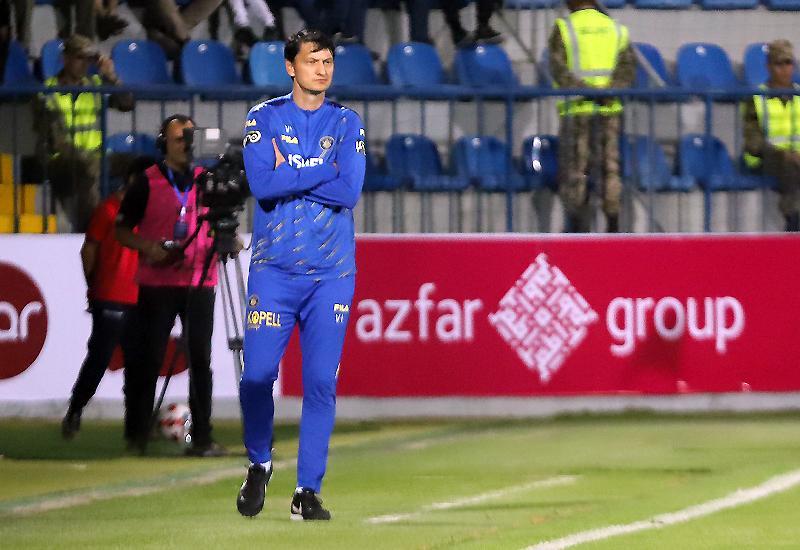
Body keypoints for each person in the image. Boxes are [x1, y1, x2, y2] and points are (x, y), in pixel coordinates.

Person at [236, 28, 366, 521]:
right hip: (274, 271)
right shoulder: (263, 117)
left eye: (328, 61)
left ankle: (306, 491)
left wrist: (290, 172)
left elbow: (349, 191)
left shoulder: (348, 122)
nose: (322, 69)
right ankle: (259, 461)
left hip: (332, 274)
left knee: (320, 383)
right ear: (291, 67)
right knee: (256, 376)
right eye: (313, 61)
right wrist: (322, 170)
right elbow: (261, 184)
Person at [115, 115, 226, 457]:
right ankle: (137, 432)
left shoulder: (207, 181)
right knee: (148, 358)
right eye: (180, 139)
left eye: (191, 138)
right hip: (157, 282)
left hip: (200, 279)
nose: (187, 146)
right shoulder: (146, 183)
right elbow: (122, 230)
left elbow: (222, 220)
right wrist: (148, 248)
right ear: (164, 143)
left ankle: (203, 436)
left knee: (200, 359)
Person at [61, 157, 153, 440]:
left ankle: (135, 426)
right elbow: (88, 250)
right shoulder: (109, 210)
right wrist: (95, 286)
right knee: (101, 357)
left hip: (141, 296)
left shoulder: (148, 213)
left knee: (138, 363)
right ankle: (76, 407)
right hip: (111, 294)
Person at [548, 0, 634, 233]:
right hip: (609, 111)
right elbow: (627, 69)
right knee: (610, 168)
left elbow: (558, 68)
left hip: (577, 111)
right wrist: (608, 92)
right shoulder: (615, 28)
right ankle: (613, 225)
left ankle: (577, 227)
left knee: (576, 169)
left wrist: (585, 90)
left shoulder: (564, 27)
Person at [34, 34, 133, 233]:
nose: (85, 64)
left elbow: (127, 104)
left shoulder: (95, 84)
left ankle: (131, 226)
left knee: (140, 166)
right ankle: (93, 232)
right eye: (80, 58)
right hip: (60, 161)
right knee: (86, 169)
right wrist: (91, 160)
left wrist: (111, 76)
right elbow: (57, 142)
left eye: (89, 59)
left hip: (95, 158)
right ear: (65, 59)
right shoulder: (46, 92)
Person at [742, 39, 800, 232]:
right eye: (779, 64)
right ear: (768, 67)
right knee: (789, 164)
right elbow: (753, 143)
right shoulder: (756, 98)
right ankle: (794, 219)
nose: (784, 69)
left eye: (788, 63)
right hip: (765, 158)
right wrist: (784, 153)